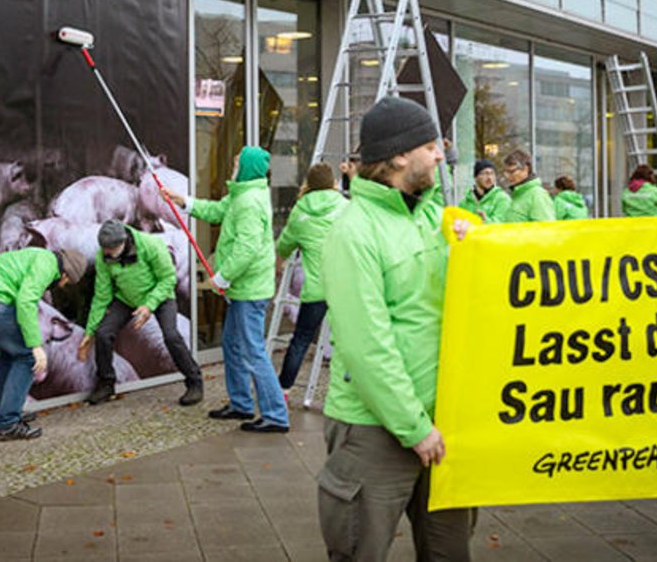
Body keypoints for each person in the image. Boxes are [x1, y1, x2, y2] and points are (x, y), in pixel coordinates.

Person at [318, 97, 475, 561]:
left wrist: (473, 243)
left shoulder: (430, 215)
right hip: (374, 430)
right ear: (400, 155)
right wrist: (413, 427)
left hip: (441, 423)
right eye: (432, 145)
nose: (442, 155)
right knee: (359, 552)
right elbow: (367, 346)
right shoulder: (354, 232)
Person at [163, 146, 290, 433]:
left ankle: (275, 415)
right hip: (242, 288)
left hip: (249, 290)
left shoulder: (249, 201)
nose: (232, 167)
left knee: (252, 351)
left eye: (236, 163)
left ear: (246, 167)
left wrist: (221, 278)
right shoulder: (241, 195)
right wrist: (183, 201)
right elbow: (217, 210)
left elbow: (247, 248)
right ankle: (242, 404)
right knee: (233, 345)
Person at [0, 247, 88, 440]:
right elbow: (26, 301)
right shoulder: (47, 263)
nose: (62, 285)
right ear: (65, 272)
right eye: (66, 281)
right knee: (27, 356)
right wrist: (36, 346)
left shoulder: (31, 257)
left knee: (12, 353)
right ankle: (7, 423)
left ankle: (4, 412)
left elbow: (7, 332)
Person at [78, 220, 203, 406]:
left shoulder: (150, 245)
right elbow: (102, 296)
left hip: (159, 296)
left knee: (171, 336)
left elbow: (168, 279)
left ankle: (194, 382)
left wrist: (149, 305)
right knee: (103, 333)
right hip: (127, 299)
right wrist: (89, 332)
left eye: (110, 250)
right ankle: (106, 383)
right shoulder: (103, 256)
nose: (106, 254)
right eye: (104, 250)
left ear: (122, 243)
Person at [275, 163, 348, 395]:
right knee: (351, 341)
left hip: (316, 289)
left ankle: (283, 391)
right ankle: (351, 392)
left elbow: (284, 244)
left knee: (301, 340)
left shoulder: (300, 210)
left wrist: (280, 262)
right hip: (344, 287)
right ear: (332, 183)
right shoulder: (346, 207)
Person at [502, 149, 555, 222]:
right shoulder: (519, 195)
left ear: (526, 169)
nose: (507, 176)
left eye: (512, 171)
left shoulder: (537, 195)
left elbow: (545, 229)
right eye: (506, 172)